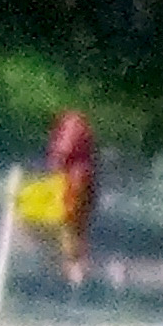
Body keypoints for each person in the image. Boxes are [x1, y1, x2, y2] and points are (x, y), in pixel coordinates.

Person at [44, 108, 98, 288]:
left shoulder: (69, 126)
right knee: (79, 227)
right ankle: (79, 269)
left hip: (71, 182)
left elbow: (62, 152)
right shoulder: (84, 130)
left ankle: (72, 270)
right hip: (87, 180)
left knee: (68, 224)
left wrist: (53, 165)